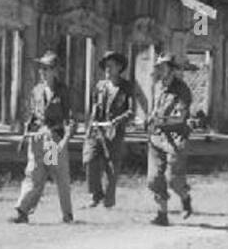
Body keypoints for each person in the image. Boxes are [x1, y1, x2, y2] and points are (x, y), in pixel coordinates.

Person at [11, 50, 74, 224]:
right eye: (41, 68)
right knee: (33, 173)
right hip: (37, 137)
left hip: (52, 139)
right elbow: (32, 114)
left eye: (46, 68)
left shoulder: (62, 91)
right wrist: (26, 131)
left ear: (55, 71)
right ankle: (22, 210)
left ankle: (67, 214)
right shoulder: (37, 90)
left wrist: (64, 140)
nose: (42, 72)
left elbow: (69, 118)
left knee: (58, 175)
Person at [145, 52, 193, 225]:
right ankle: (162, 214)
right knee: (153, 179)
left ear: (171, 70)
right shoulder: (157, 87)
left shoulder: (182, 90)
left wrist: (161, 121)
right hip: (157, 136)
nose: (159, 69)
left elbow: (181, 117)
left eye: (163, 66)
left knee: (173, 180)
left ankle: (185, 198)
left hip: (175, 137)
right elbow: (154, 109)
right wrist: (150, 119)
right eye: (158, 66)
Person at [83, 50, 136, 208]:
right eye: (105, 67)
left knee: (111, 167)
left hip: (114, 132)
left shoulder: (126, 87)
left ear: (119, 68)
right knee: (89, 160)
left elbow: (131, 111)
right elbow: (94, 107)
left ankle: (109, 201)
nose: (107, 70)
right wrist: (89, 128)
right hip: (97, 130)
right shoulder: (100, 86)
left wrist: (117, 121)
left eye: (110, 66)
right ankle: (95, 194)